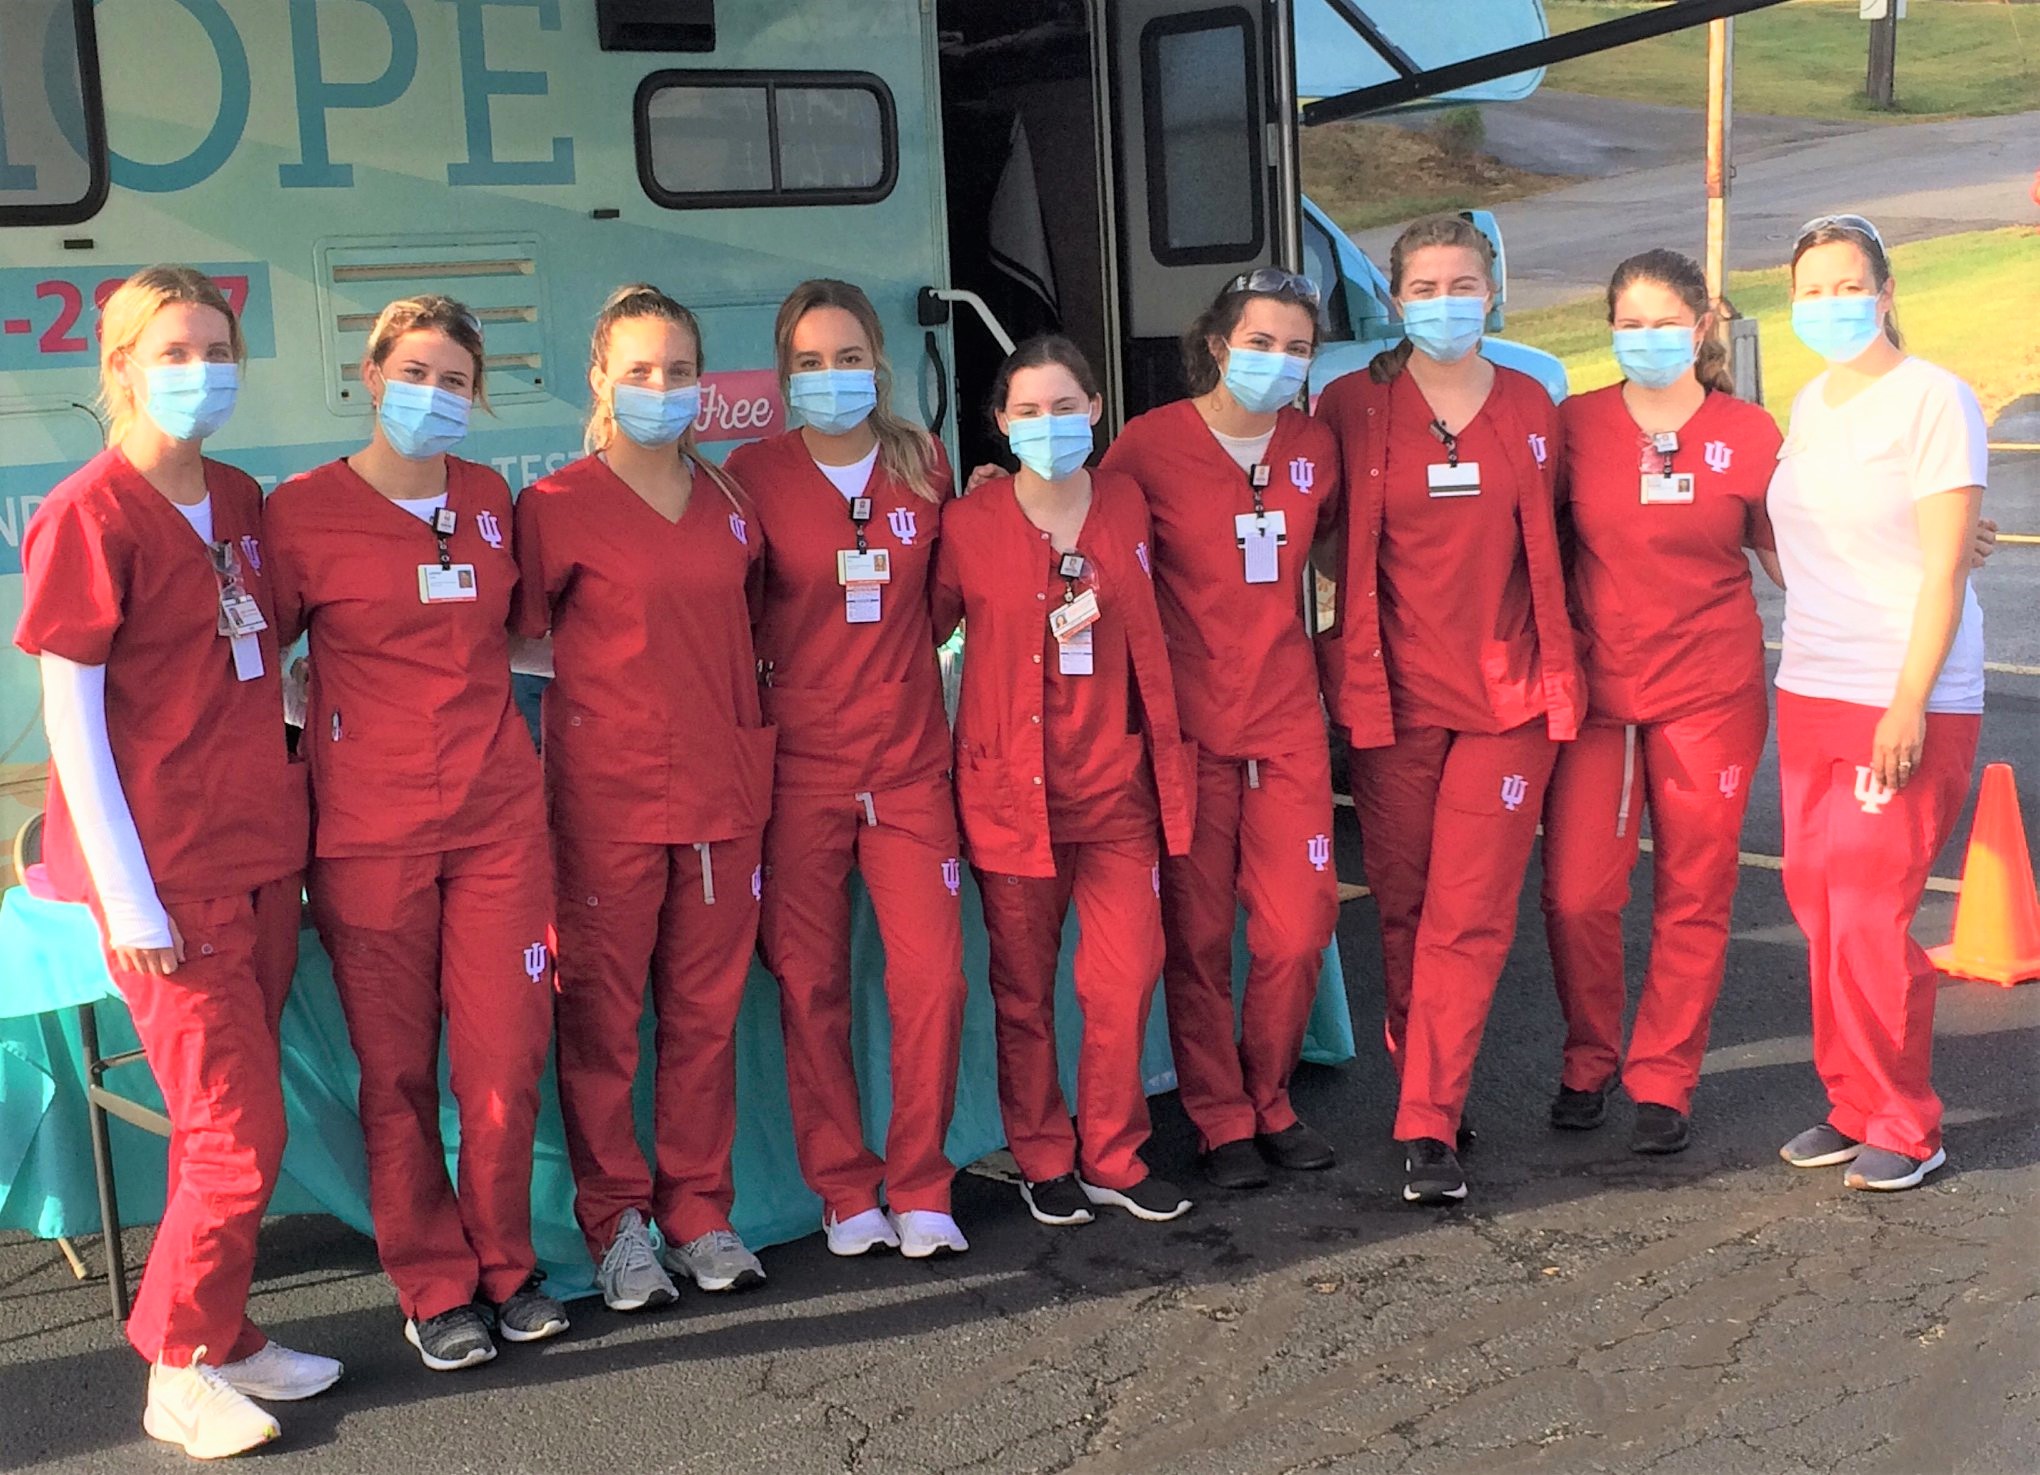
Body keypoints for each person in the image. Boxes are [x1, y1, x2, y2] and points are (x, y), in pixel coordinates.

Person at [14, 266, 337, 1459]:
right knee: (234, 1129)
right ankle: (176, 1361)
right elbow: (72, 722)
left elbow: (248, 662)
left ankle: (229, 1332)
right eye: (173, 350)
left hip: (256, 851)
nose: (202, 371)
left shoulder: (241, 498)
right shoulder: (89, 514)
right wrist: (129, 894)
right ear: (122, 366)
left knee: (240, 1124)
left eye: (217, 348)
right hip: (166, 873)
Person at [265, 295, 568, 1370]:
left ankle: (507, 1266)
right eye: (415, 373)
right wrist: (320, 718)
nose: (433, 396)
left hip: (496, 826)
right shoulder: (301, 513)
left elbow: (521, 639)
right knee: (395, 1074)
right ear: (372, 375)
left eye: (455, 381)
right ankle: (434, 1286)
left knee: (503, 1064)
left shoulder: (488, 499)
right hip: (370, 833)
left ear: (477, 396)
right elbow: (257, 658)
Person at [513, 285, 774, 1309]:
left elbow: (746, 629)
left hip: (720, 793)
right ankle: (619, 1225)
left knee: (706, 1020)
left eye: (677, 370)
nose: (659, 387)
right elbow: (514, 641)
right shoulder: (556, 506)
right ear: (600, 381)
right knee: (604, 1025)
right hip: (607, 801)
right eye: (638, 371)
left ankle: (700, 1211)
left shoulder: (732, 501)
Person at [1314, 214, 1583, 1207]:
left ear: (1493, 292)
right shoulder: (1352, 404)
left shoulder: (1533, 403)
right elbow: (1299, 518)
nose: (1444, 304)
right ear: (1395, 300)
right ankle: (1432, 1075)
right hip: (1393, 699)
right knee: (1406, 906)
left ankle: (1427, 1120)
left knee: (1468, 914)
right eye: (1424, 288)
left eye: (1462, 285)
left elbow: (1591, 521)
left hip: (1508, 697)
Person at [727, 280, 970, 1260]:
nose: (833, 377)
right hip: (801, 769)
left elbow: (943, 605)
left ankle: (921, 1183)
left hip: (907, 767)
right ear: (785, 373)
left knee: (934, 981)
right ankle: (843, 1186)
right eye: (812, 362)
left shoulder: (923, 464)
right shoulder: (753, 473)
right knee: (809, 983)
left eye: (849, 358)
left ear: (879, 361)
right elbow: (736, 614)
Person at [932, 335, 1198, 1226]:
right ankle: (1043, 1155)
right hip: (1012, 797)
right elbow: (917, 631)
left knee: (1123, 979)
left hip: (1118, 790)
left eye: (1064, 406)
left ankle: (1113, 1154)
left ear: (1095, 409)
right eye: (1028, 411)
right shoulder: (968, 524)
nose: (1048, 424)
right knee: (1024, 992)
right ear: (1001, 423)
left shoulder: (1129, 501)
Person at [1096, 271, 1344, 1190]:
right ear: (1216, 345)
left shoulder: (1314, 445)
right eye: (1260, 342)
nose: (1278, 361)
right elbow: (1083, 530)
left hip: (1285, 721)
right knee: (1197, 936)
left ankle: (1269, 1091)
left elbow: (1338, 546)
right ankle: (1221, 1114)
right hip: (1189, 730)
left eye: (1297, 347)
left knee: (1296, 928)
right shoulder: (1148, 446)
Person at [1537, 250, 1781, 1155]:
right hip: (1601, 696)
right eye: (1630, 324)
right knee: (1576, 895)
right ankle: (1590, 1054)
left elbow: (1800, 555)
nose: (1647, 339)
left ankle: (1665, 1075)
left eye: (1666, 323)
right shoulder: (1574, 425)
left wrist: (1940, 543)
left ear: (1702, 326)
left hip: (1710, 693)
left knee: (1696, 891)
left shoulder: (1749, 433)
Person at [1767, 214, 1988, 1192]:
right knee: (1817, 903)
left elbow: (1945, 567)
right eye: (1811, 290)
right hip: (1809, 684)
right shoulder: (1811, 403)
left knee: (1865, 909)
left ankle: (1907, 1120)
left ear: (1886, 292)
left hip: (1900, 691)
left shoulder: (1934, 398)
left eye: (1848, 285)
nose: (1830, 304)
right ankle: (1853, 1099)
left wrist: (1908, 703)